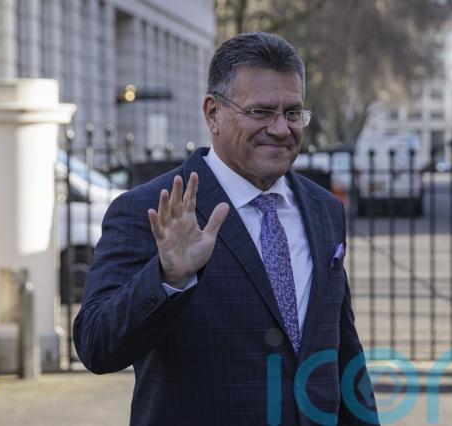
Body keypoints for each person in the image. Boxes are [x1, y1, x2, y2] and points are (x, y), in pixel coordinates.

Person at [74, 32, 379, 425]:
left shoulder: (324, 210)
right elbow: (96, 346)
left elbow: (343, 352)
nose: (280, 129)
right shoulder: (150, 210)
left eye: (292, 113)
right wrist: (166, 278)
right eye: (261, 112)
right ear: (212, 113)